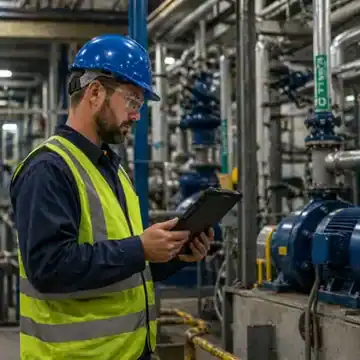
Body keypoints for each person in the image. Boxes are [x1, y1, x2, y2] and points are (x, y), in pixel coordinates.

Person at [10, 34, 214, 360]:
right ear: (94, 93)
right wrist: (140, 248)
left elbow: (121, 265)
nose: (136, 115)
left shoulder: (113, 169)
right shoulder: (49, 169)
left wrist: (174, 255)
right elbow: (49, 268)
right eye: (132, 101)